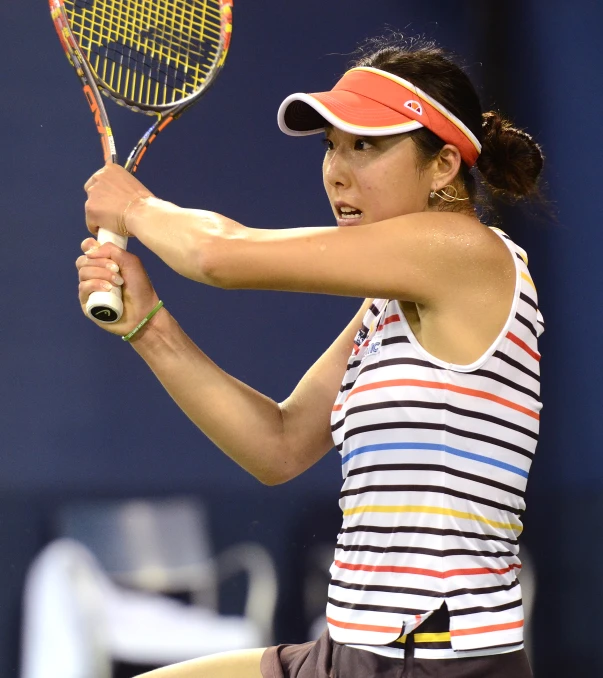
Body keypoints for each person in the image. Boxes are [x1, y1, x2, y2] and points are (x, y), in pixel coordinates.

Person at [77, 36, 544, 678]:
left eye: (368, 145)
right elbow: (280, 443)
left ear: (442, 166)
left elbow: (222, 255)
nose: (338, 170)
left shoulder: (463, 252)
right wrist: (149, 327)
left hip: (431, 661)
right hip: (349, 652)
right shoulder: (386, 302)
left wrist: (133, 206)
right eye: (332, 146)